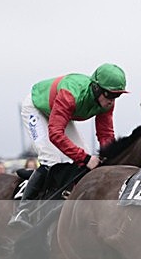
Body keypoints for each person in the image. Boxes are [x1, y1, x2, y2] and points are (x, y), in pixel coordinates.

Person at [8, 63, 128, 229]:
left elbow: (105, 133)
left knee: (86, 157)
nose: (111, 101)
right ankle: (22, 210)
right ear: (96, 88)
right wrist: (85, 158)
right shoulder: (71, 95)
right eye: (109, 94)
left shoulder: (107, 103)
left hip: (58, 111)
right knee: (51, 158)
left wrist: (108, 158)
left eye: (117, 96)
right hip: (36, 108)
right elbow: (55, 134)